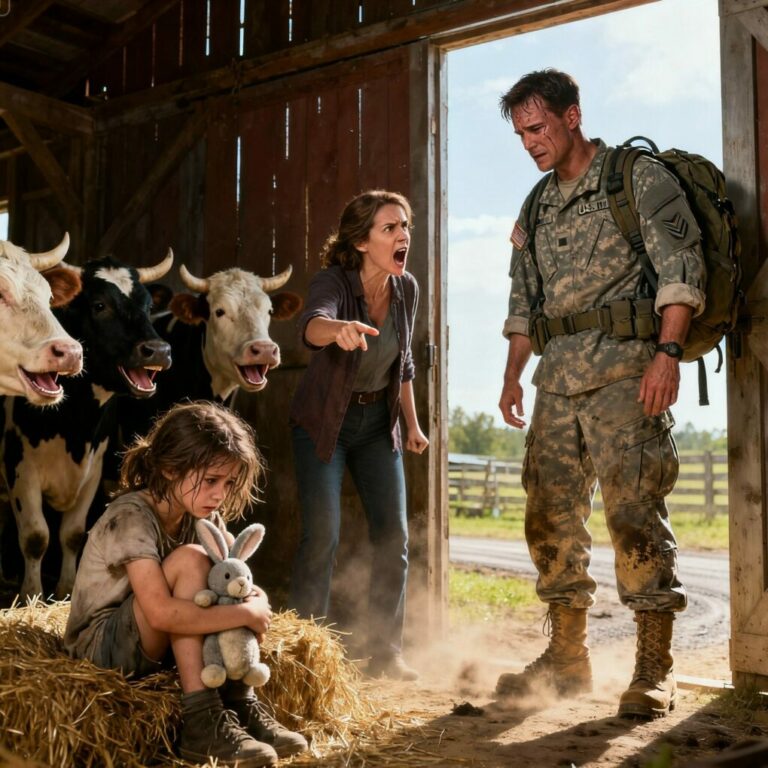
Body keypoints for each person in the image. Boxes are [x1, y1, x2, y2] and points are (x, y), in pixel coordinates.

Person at [495, 69, 706, 719]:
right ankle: (567, 659)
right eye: (520, 133)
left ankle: (653, 669)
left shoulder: (635, 178)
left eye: (538, 127)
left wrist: (667, 354)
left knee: (635, 519)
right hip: (555, 384)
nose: (530, 142)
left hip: (627, 376)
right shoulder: (535, 204)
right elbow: (524, 300)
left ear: (572, 116)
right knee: (550, 518)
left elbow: (682, 269)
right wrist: (510, 374)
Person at [64, 401, 308, 767]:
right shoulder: (131, 516)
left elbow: (235, 578)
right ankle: (201, 721)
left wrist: (255, 601)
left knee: (223, 582)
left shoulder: (200, 514)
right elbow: (161, 614)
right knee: (193, 559)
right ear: (168, 468)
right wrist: (245, 613)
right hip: (101, 652)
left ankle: (240, 704)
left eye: (227, 483)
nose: (220, 494)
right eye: (211, 481)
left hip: (152, 643)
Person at [288, 189, 429, 681]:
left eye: (404, 225)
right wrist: (337, 329)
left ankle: (384, 653)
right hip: (325, 423)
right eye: (389, 228)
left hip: (378, 427)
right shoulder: (334, 281)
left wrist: (411, 425)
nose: (402, 234)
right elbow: (311, 326)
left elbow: (404, 365)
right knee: (322, 536)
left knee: (395, 538)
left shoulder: (406, 287)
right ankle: (303, 654)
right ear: (362, 240)